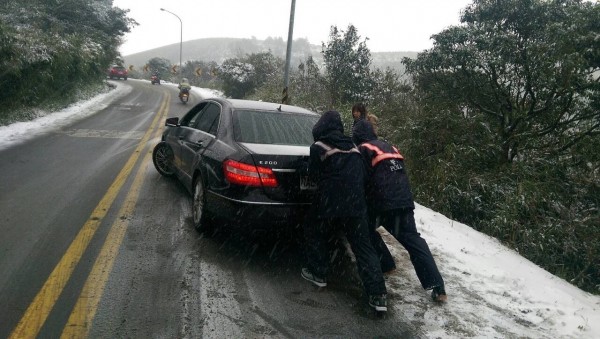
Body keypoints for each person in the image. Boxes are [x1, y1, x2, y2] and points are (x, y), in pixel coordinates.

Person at [352, 119, 448, 303]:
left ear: (357, 136)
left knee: (363, 230)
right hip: (403, 200)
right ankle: (438, 287)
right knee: (413, 241)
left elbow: (361, 179)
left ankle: (386, 264)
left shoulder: (363, 149)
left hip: (381, 202)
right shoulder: (390, 147)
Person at [301, 110, 388, 312]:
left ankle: (319, 273)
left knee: (315, 231)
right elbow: (363, 176)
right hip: (356, 204)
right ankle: (378, 295)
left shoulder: (318, 147)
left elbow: (312, 175)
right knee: (363, 246)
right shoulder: (354, 147)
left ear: (321, 126)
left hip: (330, 202)